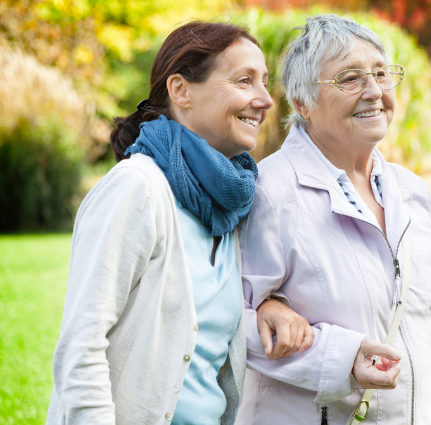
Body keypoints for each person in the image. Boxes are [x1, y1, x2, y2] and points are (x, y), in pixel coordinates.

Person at [46, 21, 313, 425]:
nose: (264, 100)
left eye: (264, 83)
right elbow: (81, 347)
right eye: (244, 81)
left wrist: (270, 306)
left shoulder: (230, 205)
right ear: (181, 91)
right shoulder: (137, 189)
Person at [236, 14, 431, 424]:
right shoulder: (270, 191)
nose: (374, 91)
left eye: (381, 73)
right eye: (350, 79)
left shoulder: (411, 192)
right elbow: (232, 325)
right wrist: (340, 358)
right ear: (302, 103)